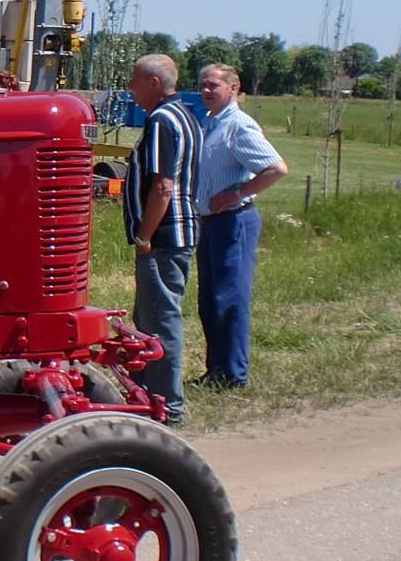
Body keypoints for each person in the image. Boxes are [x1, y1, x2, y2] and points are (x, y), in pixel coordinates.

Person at [192, 64, 289, 389]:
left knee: (229, 299)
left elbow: (276, 168)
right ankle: (216, 370)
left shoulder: (238, 126)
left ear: (233, 89)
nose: (206, 91)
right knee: (209, 300)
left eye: (214, 86)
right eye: (203, 85)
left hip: (234, 221)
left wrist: (237, 192)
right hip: (210, 222)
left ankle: (233, 375)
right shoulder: (209, 123)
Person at [123, 54, 203, 422]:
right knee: (151, 316)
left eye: (135, 80)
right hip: (179, 230)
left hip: (164, 236)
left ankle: (168, 405)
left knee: (160, 320)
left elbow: (164, 185)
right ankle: (143, 394)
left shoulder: (160, 120)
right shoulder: (187, 116)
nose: (130, 88)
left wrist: (144, 235)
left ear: (154, 83)